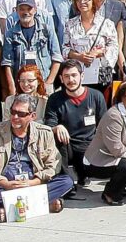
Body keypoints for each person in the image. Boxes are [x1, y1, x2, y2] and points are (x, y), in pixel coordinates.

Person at [0, 93, 74, 219]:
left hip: (33, 181)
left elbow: (53, 165)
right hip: (6, 183)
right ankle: (42, 205)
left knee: (66, 182)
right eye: (13, 112)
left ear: (32, 116)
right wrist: (6, 183)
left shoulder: (45, 132)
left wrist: (34, 182)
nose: (15, 117)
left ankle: (11, 209)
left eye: (21, 114)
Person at [42, 60, 107, 196]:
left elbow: (104, 125)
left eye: (74, 75)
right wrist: (57, 127)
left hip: (89, 145)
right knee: (56, 137)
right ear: (61, 79)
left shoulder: (96, 96)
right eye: (66, 76)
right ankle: (66, 182)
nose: (71, 80)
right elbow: (49, 123)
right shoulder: (55, 99)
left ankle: (83, 173)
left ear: (81, 76)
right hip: (67, 144)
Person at [87, 83, 126, 204]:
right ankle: (110, 193)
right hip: (98, 161)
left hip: (120, 157)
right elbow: (116, 147)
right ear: (122, 97)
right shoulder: (113, 115)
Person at [62, 0, 120, 91]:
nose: (82, 2)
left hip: (100, 74)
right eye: (79, 0)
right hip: (77, 74)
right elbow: (65, 49)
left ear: (93, 2)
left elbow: (114, 48)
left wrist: (99, 52)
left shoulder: (107, 24)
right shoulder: (70, 24)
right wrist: (79, 56)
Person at [1, 0, 62, 85]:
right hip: (22, 84)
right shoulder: (10, 34)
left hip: (44, 80)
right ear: (16, 10)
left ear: (35, 10)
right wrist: (12, 88)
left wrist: (49, 82)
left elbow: (56, 57)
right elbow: (7, 63)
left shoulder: (47, 30)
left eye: (29, 9)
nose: (26, 12)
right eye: (22, 9)